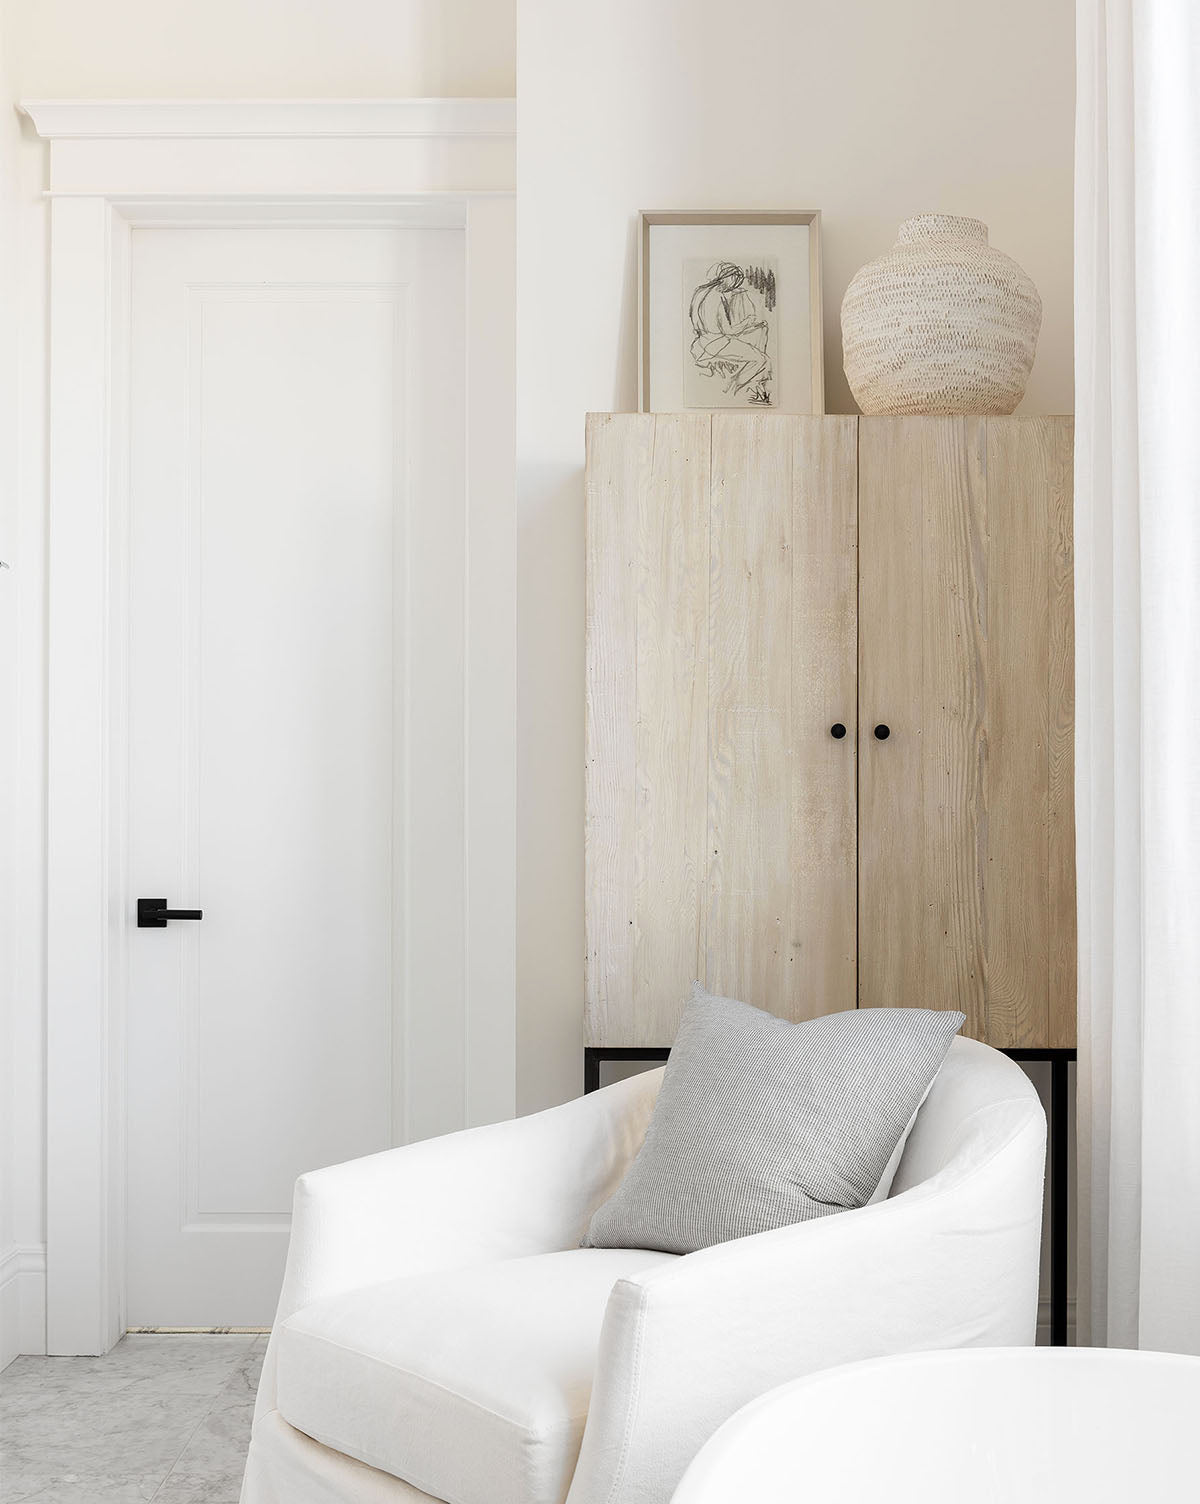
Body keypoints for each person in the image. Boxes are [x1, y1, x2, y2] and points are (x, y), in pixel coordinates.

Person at [688, 261, 772, 400]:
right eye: (734, 281)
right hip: (717, 344)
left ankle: (747, 388)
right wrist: (748, 322)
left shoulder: (700, 292)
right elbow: (729, 331)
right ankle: (731, 389)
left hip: (701, 341)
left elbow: (696, 323)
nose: (734, 286)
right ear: (728, 277)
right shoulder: (718, 297)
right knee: (761, 359)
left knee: (751, 341)